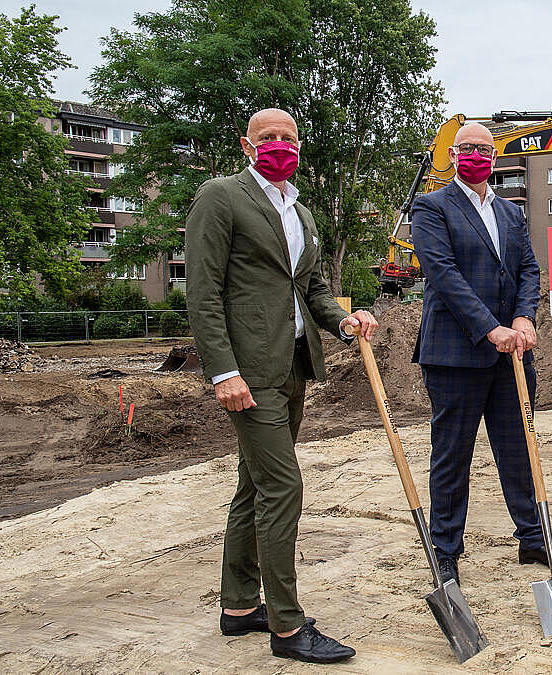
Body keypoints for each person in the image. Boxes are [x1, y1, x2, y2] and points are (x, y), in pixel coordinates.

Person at [187, 108, 377, 664]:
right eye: (267, 137)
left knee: (255, 485)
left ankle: (240, 606)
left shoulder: (301, 210)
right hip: (247, 372)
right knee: (282, 488)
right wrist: (222, 371)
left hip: (292, 366)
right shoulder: (221, 196)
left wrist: (343, 321)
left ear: (299, 146)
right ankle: (289, 628)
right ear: (247, 145)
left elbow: (311, 288)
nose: (278, 145)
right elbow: (202, 292)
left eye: (287, 138)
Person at [411, 122, 552, 586]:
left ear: (495, 157)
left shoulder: (510, 212)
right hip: (456, 354)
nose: (476, 155)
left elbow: (529, 268)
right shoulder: (431, 208)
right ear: (451, 154)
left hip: (512, 355)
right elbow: (443, 275)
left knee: (519, 449)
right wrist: (490, 329)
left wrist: (526, 318)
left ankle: (534, 539)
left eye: (484, 149)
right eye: (467, 148)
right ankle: (445, 552)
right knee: (452, 455)